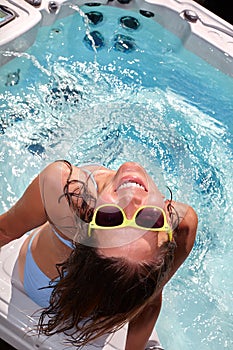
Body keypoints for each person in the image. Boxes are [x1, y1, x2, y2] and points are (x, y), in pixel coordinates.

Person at [0, 160, 198, 350]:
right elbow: (150, 304)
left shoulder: (63, 189)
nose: (131, 200)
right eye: (148, 219)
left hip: (43, 288)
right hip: (101, 313)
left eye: (111, 217)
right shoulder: (181, 223)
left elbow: (6, 231)